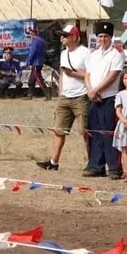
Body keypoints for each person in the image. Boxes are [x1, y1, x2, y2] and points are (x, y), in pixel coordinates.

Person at [36, 24, 90, 171]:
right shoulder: (63, 53)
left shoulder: (85, 53)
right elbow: (62, 72)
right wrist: (61, 91)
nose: (62, 38)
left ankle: (93, 162)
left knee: (85, 131)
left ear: (74, 37)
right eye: (61, 35)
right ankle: (53, 162)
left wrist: (73, 73)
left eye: (65, 35)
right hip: (65, 96)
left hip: (81, 96)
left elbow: (90, 75)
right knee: (59, 131)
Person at [83, 21, 125, 179]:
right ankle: (96, 165)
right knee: (94, 133)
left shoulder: (116, 54)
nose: (103, 39)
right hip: (94, 98)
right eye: (100, 36)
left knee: (109, 133)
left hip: (108, 97)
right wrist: (90, 90)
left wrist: (97, 90)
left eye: (106, 36)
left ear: (111, 37)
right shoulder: (93, 55)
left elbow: (113, 75)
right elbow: (87, 75)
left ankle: (114, 167)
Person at [25, 26, 48, 99]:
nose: (30, 35)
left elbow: (32, 52)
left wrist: (28, 61)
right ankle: (29, 95)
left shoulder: (35, 41)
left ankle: (47, 94)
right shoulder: (42, 41)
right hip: (40, 61)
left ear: (32, 33)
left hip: (36, 62)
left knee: (38, 78)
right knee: (32, 79)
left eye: (30, 33)